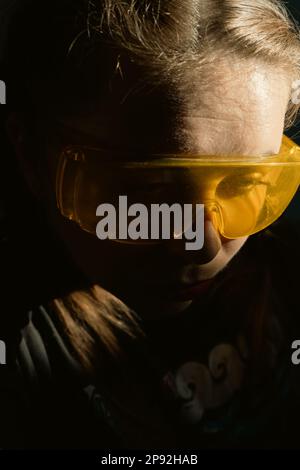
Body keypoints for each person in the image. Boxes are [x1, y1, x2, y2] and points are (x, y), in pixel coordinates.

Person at [1, 0, 300, 449]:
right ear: (32, 157)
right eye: (149, 191)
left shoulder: (285, 261)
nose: (201, 245)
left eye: (246, 181)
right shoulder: (24, 358)